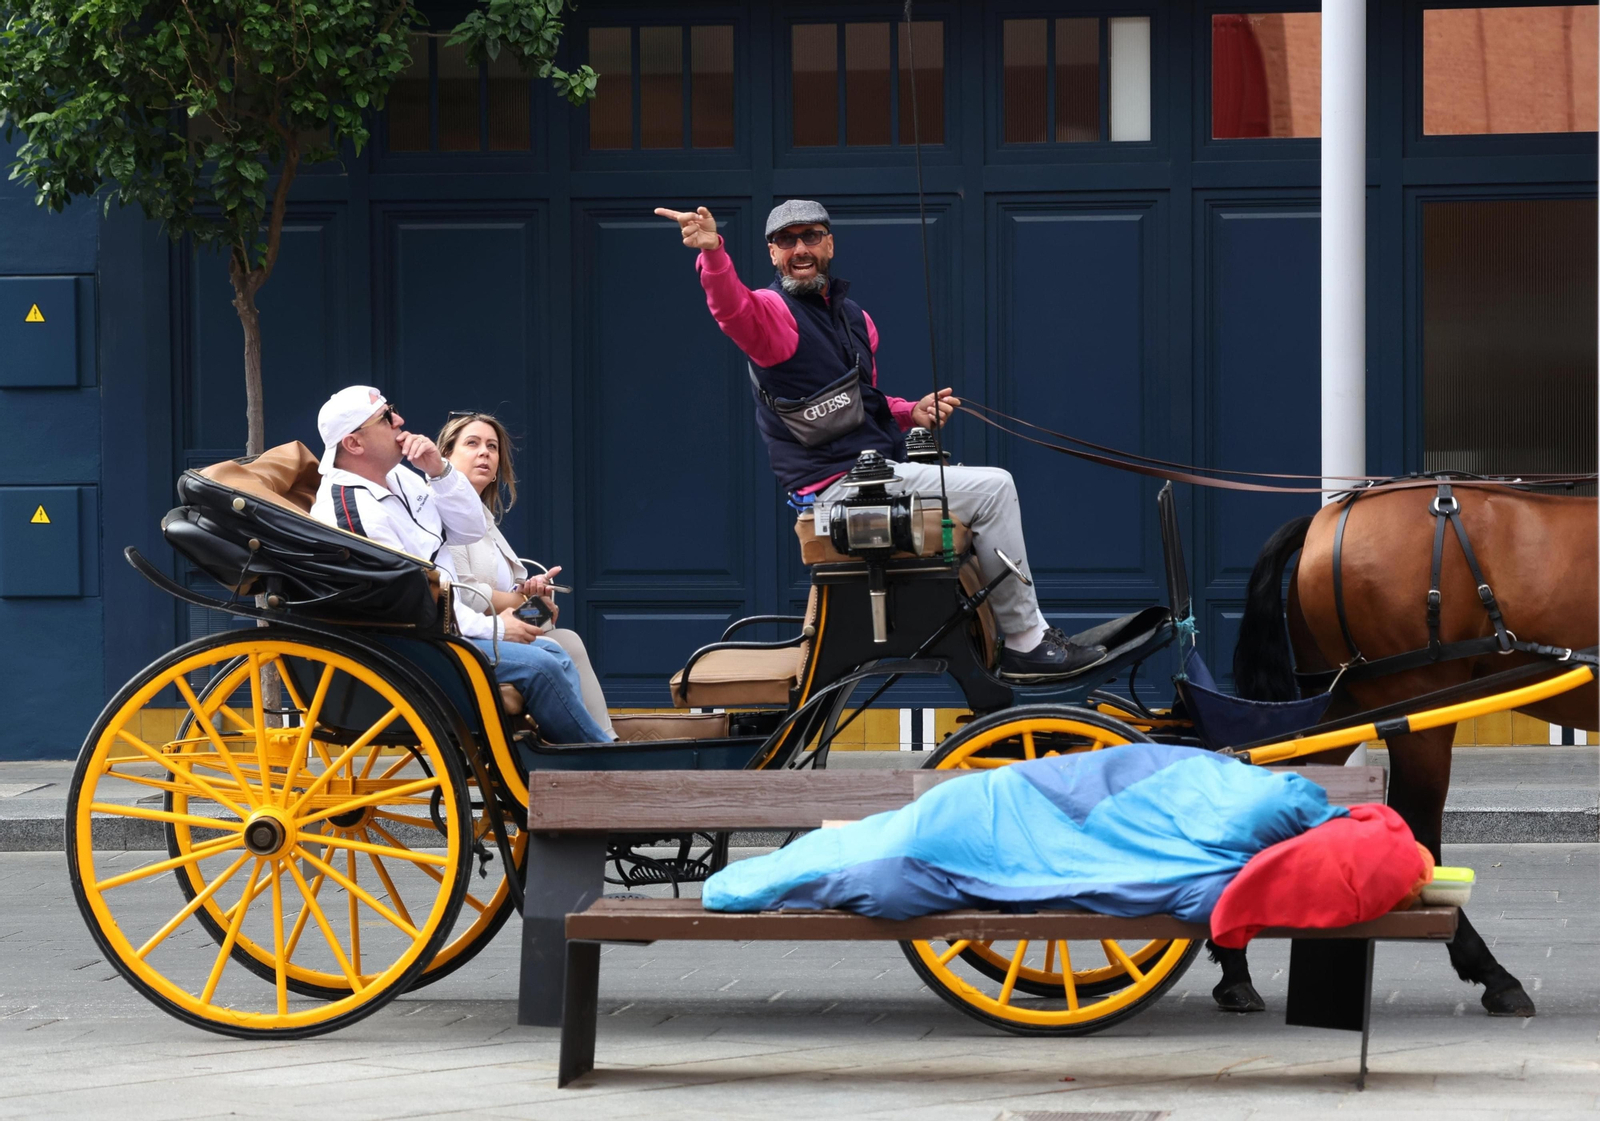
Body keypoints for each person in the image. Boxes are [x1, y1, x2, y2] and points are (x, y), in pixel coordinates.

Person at [653, 200, 1105, 681]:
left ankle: (1002, 634)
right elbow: (733, 309)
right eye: (787, 241)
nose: (800, 249)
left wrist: (910, 411)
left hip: (872, 476)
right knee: (994, 488)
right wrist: (713, 254)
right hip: (838, 489)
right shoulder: (772, 316)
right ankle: (1024, 641)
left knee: (979, 493)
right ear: (772, 253)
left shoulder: (856, 320)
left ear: (829, 243)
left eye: (810, 236)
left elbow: (858, 402)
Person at [309, 386, 612, 744]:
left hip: (437, 629)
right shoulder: (353, 511)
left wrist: (438, 470)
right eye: (386, 417)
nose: (400, 421)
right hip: (411, 644)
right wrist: (494, 628)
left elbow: (468, 529)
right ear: (354, 444)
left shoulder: (402, 477)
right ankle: (597, 760)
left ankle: (583, 757)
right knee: (544, 665)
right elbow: (411, 596)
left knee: (554, 649)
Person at [438, 411, 614, 738]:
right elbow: (464, 592)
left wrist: (537, 599)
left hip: (493, 627)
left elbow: (507, 591)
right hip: (466, 632)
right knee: (561, 647)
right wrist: (522, 598)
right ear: (446, 455)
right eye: (472, 443)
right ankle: (591, 744)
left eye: (492, 447)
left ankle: (602, 738)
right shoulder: (443, 514)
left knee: (568, 640)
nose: (485, 453)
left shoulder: (484, 519)